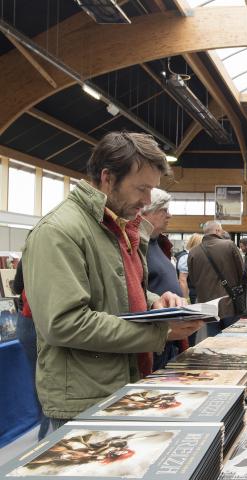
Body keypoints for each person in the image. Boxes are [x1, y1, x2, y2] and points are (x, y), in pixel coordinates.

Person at [22, 131, 203, 428]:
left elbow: (119, 292)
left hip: (121, 384)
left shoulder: (115, 225)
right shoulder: (58, 231)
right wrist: (159, 334)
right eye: (141, 189)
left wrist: (159, 303)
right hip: (85, 400)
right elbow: (64, 323)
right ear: (107, 178)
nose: (146, 201)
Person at [141, 188, 189, 370]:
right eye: (164, 210)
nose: (169, 215)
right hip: (155, 339)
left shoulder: (157, 243)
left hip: (167, 338)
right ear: (146, 210)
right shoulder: (139, 244)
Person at [12, 260, 50, 439]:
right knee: (44, 375)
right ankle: (46, 432)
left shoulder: (27, 255)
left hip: (29, 319)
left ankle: (45, 430)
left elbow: (17, 286)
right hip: (35, 319)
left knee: (38, 375)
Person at [188, 220, 244, 336]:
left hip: (207, 306)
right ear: (217, 230)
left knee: (213, 341)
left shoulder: (193, 252)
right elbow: (241, 270)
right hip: (229, 303)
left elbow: (192, 280)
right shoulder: (229, 245)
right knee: (232, 341)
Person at [176, 233, 202, 304]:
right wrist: (186, 299)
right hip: (191, 295)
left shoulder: (190, 255)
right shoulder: (186, 257)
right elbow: (182, 280)